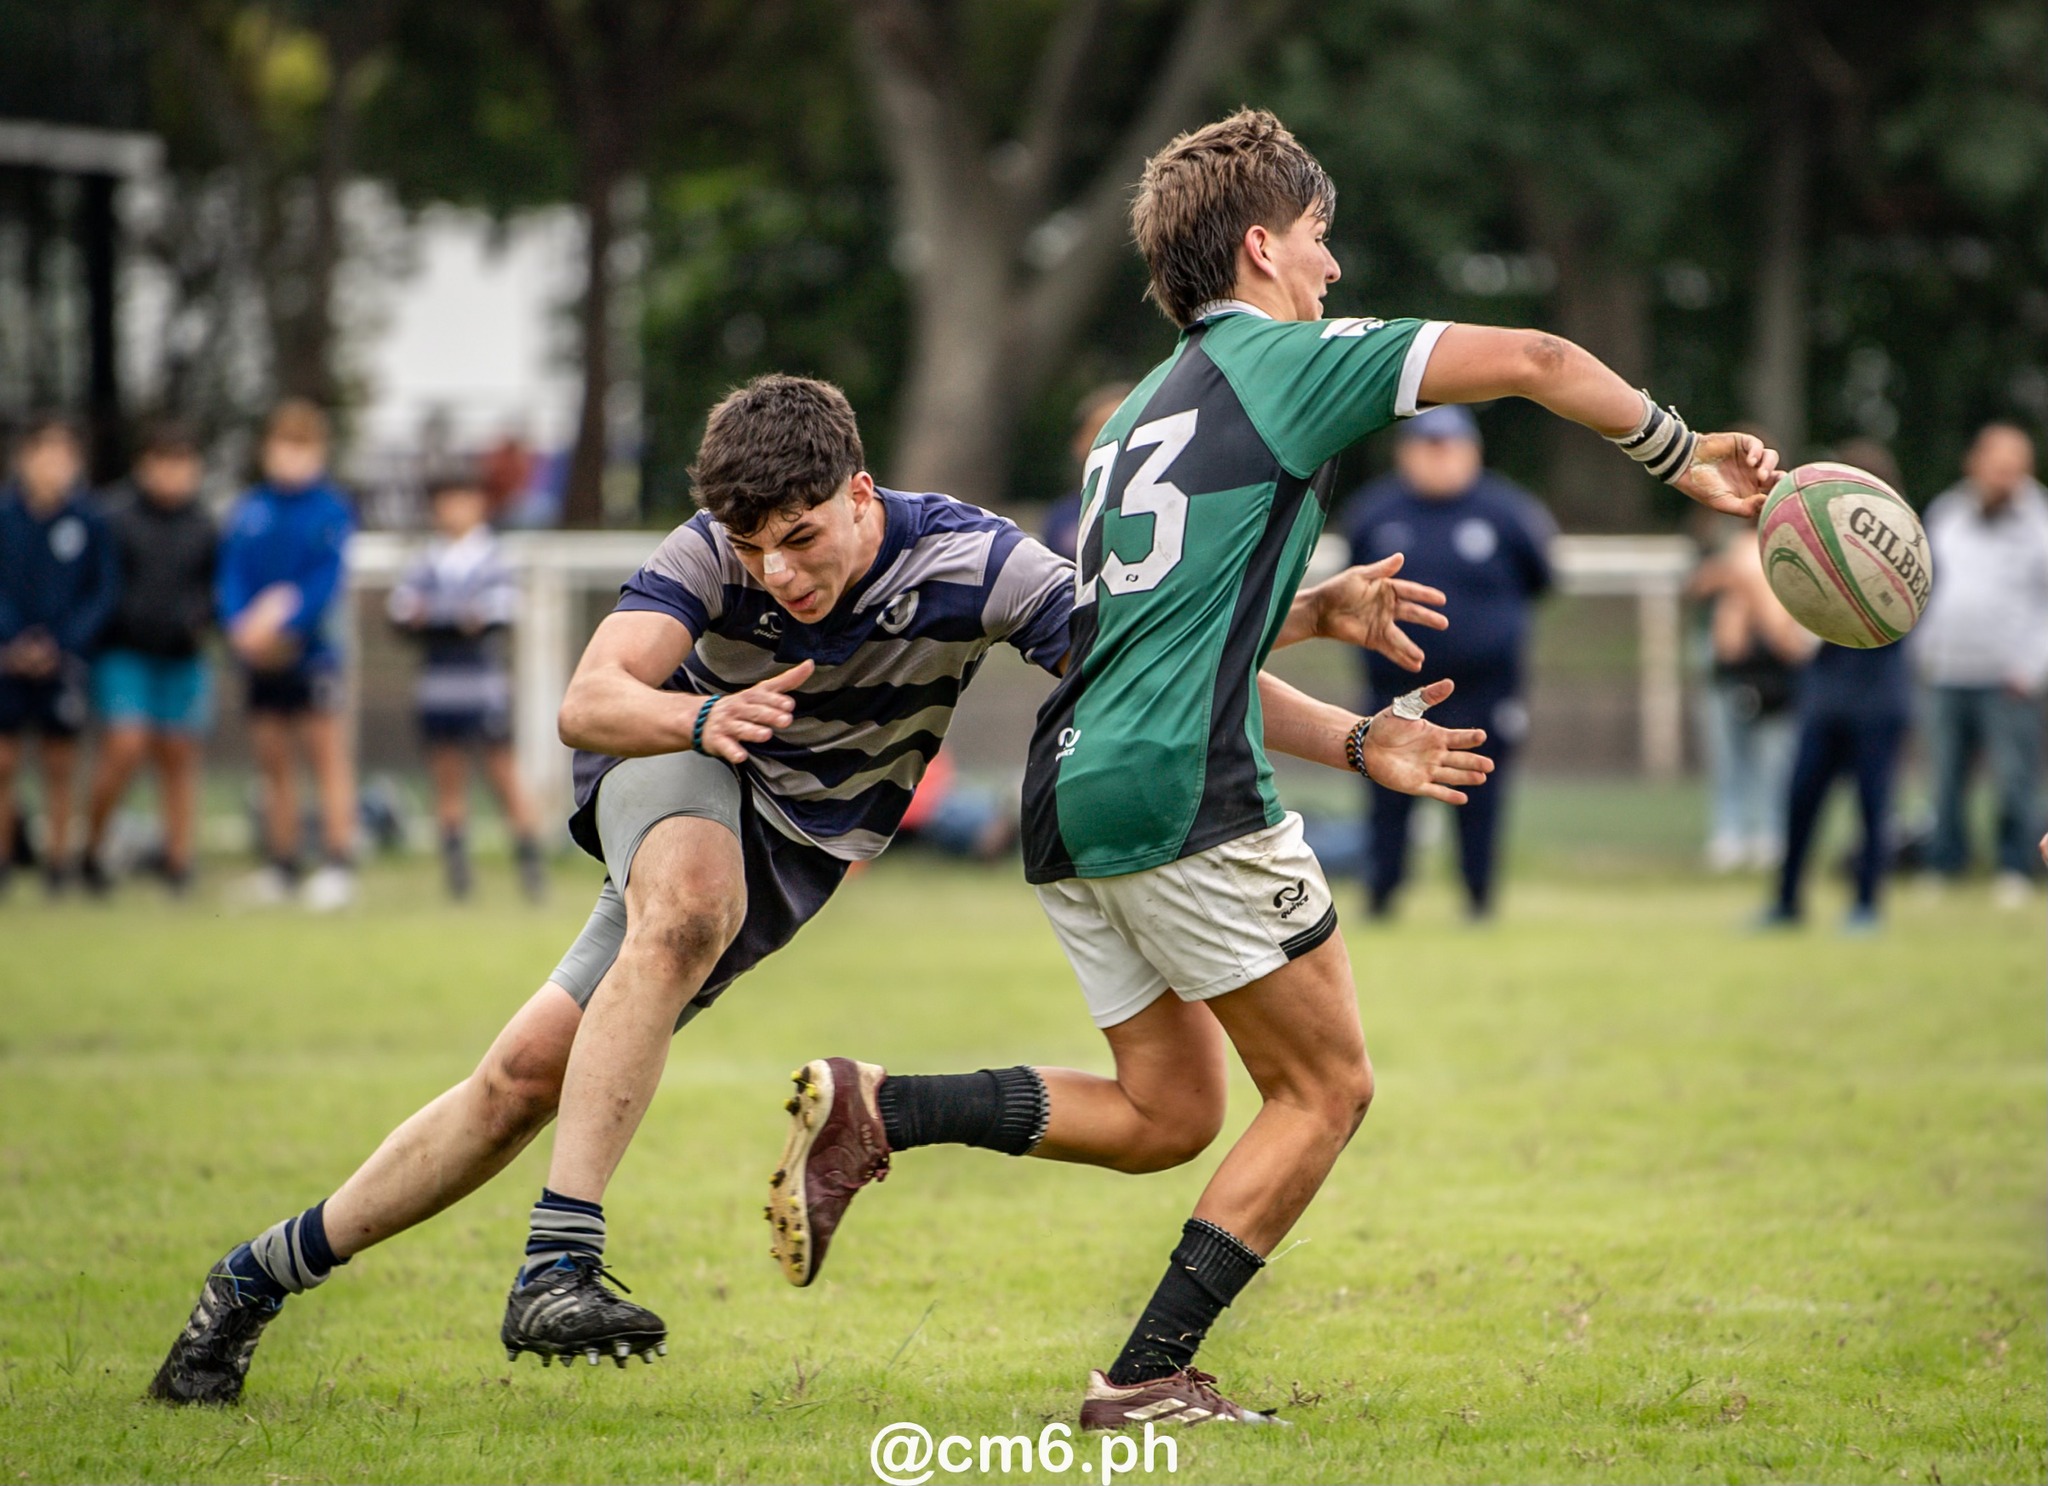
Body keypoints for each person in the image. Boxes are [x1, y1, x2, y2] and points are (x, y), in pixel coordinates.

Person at [144, 373, 1453, 1404]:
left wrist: (1341, 704)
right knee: (689, 899)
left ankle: (255, 1273)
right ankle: (561, 1255)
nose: (779, 568)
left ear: (862, 490)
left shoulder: (971, 563)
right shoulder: (709, 554)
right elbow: (588, 699)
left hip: (803, 853)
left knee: (516, 1084)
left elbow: (1151, 653)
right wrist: (699, 716)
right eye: (753, 544)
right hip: (681, 778)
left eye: (804, 536)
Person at [774, 109, 1777, 1429]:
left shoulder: (1132, 415)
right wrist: (1681, 451)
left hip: (1070, 785)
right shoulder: (1282, 365)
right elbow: (1535, 355)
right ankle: (1141, 1378)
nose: (1334, 270)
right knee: (1328, 1087)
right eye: (1321, 239)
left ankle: (882, 1106)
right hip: (1181, 790)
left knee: (1167, 1113)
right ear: (1261, 246)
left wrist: (1354, 728)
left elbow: (1173, 647)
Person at [1340, 403, 1554, 919]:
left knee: (1478, 791)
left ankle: (1479, 899)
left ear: (1472, 451)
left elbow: (1541, 580)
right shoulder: (1375, 512)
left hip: (1483, 689)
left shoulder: (1506, 512)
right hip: (1395, 691)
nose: (1439, 458)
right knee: (1386, 791)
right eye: (1427, 447)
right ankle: (1382, 895)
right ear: (1405, 453)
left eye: (1449, 447)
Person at [1762, 442, 1915, 933]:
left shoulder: (1910, 548)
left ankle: (1867, 905)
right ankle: (1786, 902)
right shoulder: (1822, 546)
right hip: (1825, 694)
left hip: (1880, 696)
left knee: (1874, 808)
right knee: (1801, 801)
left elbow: (1915, 614)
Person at [217, 399, 358, 910]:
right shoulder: (250, 509)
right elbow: (232, 576)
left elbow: (325, 580)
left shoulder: (331, 510)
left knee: (326, 756)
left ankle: (339, 862)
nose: (291, 457)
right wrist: (242, 625)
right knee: (272, 758)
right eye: (284, 445)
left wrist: (286, 622)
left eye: (303, 446)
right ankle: (283, 863)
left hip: (313, 654)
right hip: (259, 655)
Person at [387, 471, 546, 902]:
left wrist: (438, 617)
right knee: (447, 776)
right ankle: (457, 874)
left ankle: (531, 865)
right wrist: (456, 618)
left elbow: (496, 613)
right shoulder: (426, 560)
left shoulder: (493, 558)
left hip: (483, 687)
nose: (453, 510)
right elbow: (403, 613)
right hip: (437, 687)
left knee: (503, 773)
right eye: (445, 501)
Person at [81, 421, 219, 896]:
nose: (174, 475)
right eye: (165, 463)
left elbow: (213, 590)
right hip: (126, 651)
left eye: (184, 465)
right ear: (146, 466)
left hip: (181, 655)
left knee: (179, 754)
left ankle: (179, 865)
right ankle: (92, 848)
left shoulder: (204, 524)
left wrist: (201, 618)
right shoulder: (116, 520)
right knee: (126, 746)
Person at [1913, 422, 2048, 906]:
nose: (2006, 475)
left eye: (2016, 466)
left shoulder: (2039, 522)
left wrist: (2031, 667)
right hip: (1949, 669)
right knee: (1945, 775)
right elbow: (1924, 585)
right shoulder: (1947, 512)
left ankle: (2014, 866)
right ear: (1976, 463)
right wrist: (1924, 652)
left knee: (2014, 777)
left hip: (2008, 676)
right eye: (1998, 464)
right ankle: (1944, 862)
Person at [0, 415, 119, 895]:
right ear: (23, 458)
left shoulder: (89, 521)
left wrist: (64, 643)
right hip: (7, 658)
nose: (53, 465)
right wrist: (12, 640)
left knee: (60, 762)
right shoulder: (4, 517)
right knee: (3, 762)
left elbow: (102, 590)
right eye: (43, 453)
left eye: (63, 455)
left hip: (64, 660)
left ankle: (57, 866)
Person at [1692, 517, 1811, 871]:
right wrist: (1733, 579)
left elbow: (1785, 637)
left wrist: (1754, 589)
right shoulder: (1727, 546)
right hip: (1732, 676)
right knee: (1728, 759)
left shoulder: (1792, 552)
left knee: (1775, 761)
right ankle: (1730, 833)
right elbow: (1725, 641)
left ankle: (1771, 834)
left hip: (1775, 677)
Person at [1041, 383, 1135, 560]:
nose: (1118, 440)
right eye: (1103, 430)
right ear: (1079, 442)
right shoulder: (1062, 516)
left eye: (1128, 427)